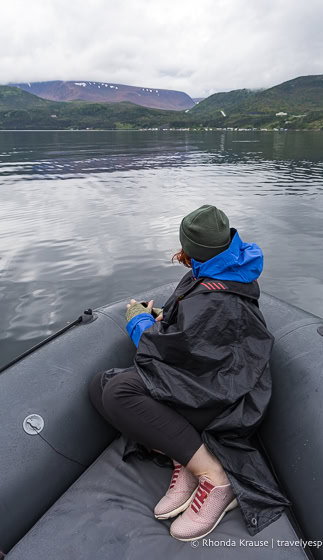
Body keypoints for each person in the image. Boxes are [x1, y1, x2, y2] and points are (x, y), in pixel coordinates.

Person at [89, 204, 290, 542]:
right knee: (99, 386)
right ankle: (184, 453)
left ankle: (215, 476)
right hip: (209, 380)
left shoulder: (215, 297)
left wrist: (138, 321)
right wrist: (163, 319)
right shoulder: (218, 269)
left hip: (223, 396)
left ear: (191, 246)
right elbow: (192, 340)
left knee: (119, 392)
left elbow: (174, 353)